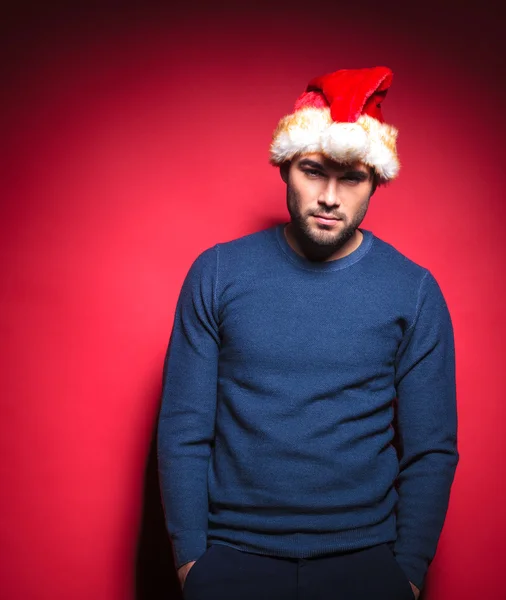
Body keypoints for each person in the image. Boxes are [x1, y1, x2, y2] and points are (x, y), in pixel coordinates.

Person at [157, 66, 459, 600]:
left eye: (352, 178)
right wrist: (190, 562)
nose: (329, 197)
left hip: (366, 563)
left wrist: (408, 572)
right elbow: (183, 428)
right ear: (284, 168)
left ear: (376, 182)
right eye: (313, 171)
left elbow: (431, 448)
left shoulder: (413, 291)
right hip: (232, 558)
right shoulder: (219, 273)